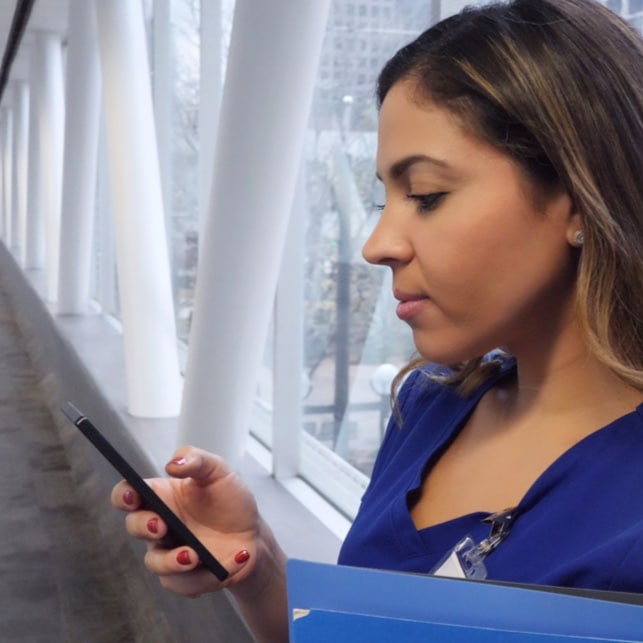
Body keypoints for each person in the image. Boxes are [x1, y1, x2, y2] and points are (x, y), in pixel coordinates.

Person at [111, 0, 643, 640]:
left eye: (426, 195)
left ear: (579, 197)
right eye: (383, 197)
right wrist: (257, 563)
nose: (378, 243)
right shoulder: (429, 407)